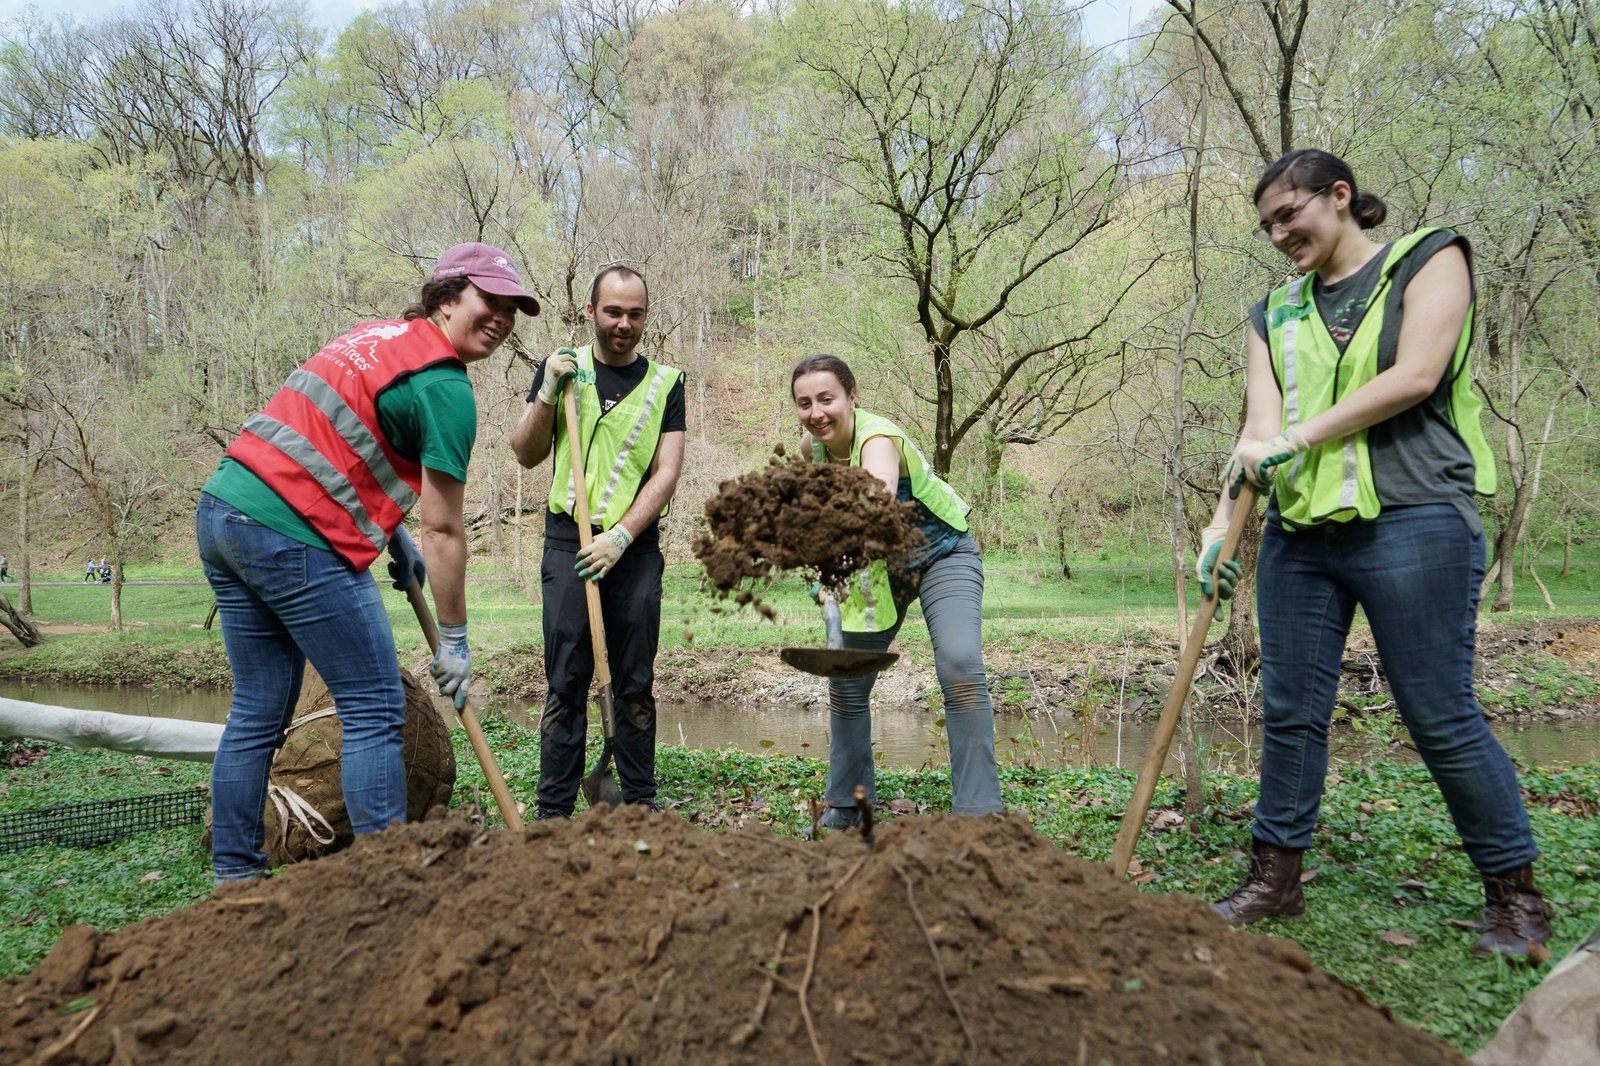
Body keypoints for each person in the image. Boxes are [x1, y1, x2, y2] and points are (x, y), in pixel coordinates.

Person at [1199, 149, 1551, 956]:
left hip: (1415, 520)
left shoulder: (1429, 258)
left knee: (1437, 712)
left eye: (1290, 214)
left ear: (1340, 196)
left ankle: (1515, 901)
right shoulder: (1273, 314)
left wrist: (1296, 440)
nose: (1280, 234)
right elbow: (1258, 432)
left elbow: (1416, 375)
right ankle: (1274, 881)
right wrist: (1220, 527)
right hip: (1301, 537)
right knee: (1290, 712)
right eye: (1267, 226)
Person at [197, 242, 538, 885]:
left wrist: (389, 532)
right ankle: (387, 882)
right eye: (488, 300)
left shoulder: (374, 337)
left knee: (259, 707)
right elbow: (444, 528)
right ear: (446, 298)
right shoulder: (444, 387)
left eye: (511, 309)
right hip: (293, 535)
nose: (501, 318)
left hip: (224, 512)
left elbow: (334, 445)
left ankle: (236, 877)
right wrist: (455, 638)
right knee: (375, 706)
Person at [790, 354, 1004, 827]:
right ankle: (847, 805)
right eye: (805, 403)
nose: (816, 412)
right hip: (877, 570)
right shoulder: (812, 448)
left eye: (826, 399)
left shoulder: (878, 439)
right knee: (846, 678)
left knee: (960, 664)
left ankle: (979, 814)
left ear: (852, 397)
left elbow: (879, 494)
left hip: (941, 555)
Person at [510, 265, 684, 819]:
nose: (623, 324)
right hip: (569, 541)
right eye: (613, 312)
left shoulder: (666, 383)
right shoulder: (564, 370)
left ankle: (640, 802)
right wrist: (545, 393)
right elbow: (525, 453)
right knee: (566, 680)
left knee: (635, 680)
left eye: (635, 314)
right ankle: (554, 811)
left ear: (645, 317)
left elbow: (667, 472)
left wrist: (622, 536)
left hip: (633, 548)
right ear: (591, 312)